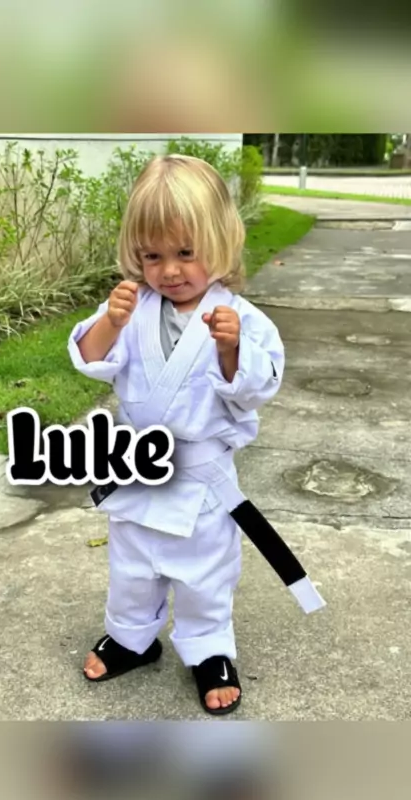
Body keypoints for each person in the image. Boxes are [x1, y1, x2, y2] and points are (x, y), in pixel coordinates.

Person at [68, 153, 284, 715]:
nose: (168, 270)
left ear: (221, 241)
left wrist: (232, 348)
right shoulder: (131, 308)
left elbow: (258, 386)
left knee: (203, 574)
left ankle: (208, 649)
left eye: (186, 252)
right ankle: (131, 638)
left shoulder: (240, 318)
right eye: (152, 255)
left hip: (201, 481)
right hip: (139, 470)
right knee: (131, 568)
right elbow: (89, 358)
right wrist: (110, 322)